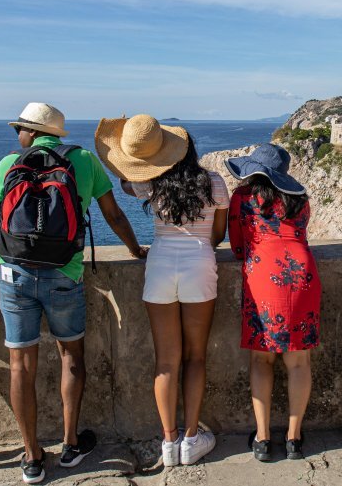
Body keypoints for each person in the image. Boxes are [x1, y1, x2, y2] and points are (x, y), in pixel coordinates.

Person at [0, 103, 147, 484]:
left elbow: (2, 211)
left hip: (14, 274)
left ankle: (31, 457)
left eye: (20, 129)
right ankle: (70, 443)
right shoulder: (83, 160)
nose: (17, 135)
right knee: (71, 356)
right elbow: (112, 214)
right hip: (65, 273)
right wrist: (134, 249)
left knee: (20, 366)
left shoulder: (8, 163)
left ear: (31, 132)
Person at [95, 114, 227, 467]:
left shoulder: (149, 184)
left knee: (165, 361)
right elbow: (217, 236)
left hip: (160, 268)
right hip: (200, 266)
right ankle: (190, 440)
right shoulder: (214, 183)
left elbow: (124, 177)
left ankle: (168, 444)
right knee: (196, 357)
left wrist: (137, 157)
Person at [226, 144, 321, 462]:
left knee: (261, 361)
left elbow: (238, 246)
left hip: (263, 277)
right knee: (298, 362)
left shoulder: (242, 198)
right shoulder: (300, 199)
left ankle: (263, 438)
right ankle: (294, 438)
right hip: (302, 274)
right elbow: (300, 235)